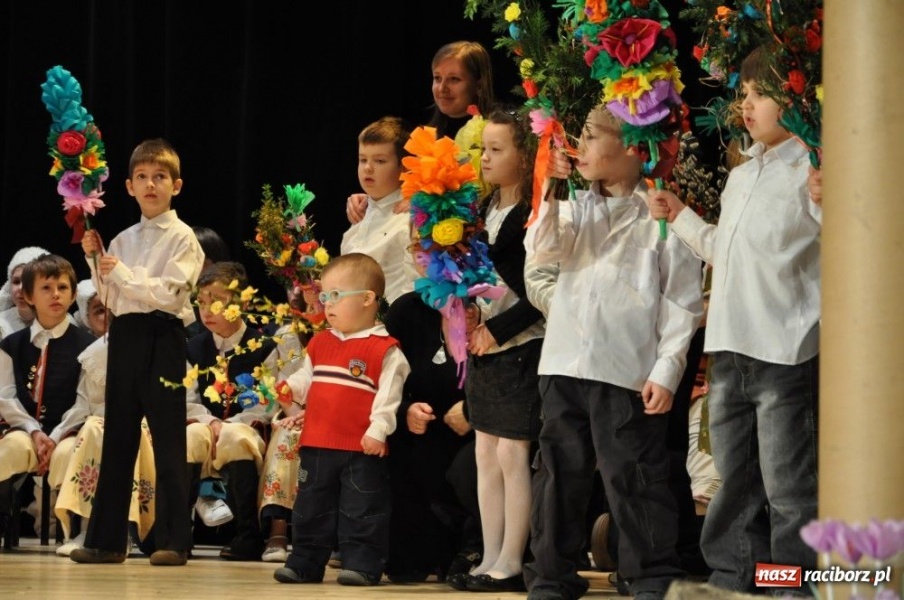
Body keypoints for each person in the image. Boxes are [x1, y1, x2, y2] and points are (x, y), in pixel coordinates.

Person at [647, 46, 821, 594]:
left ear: (795, 98)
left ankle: (790, 586)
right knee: (735, 483)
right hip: (729, 347)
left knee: (789, 488)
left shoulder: (813, 170)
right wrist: (680, 215)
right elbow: (727, 249)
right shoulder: (744, 173)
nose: (746, 105)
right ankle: (734, 578)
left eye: (761, 93)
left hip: (785, 349)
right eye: (743, 94)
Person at [523, 105, 704, 600]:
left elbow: (682, 304)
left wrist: (667, 370)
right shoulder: (574, 204)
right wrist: (552, 188)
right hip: (563, 362)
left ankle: (648, 573)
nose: (577, 145)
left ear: (630, 147)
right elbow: (540, 250)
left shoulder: (662, 214)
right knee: (559, 473)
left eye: (590, 135)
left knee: (634, 475)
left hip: (625, 369)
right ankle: (552, 573)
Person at [70, 138, 205, 566]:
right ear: (128, 186)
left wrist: (121, 273)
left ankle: (172, 541)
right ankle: (107, 540)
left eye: (160, 177)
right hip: (125, 338)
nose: (151, 185)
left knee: (167, 439)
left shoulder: (185, 238)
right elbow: (112, 295)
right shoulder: (123, 238)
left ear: (176, 185)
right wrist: (95, 260)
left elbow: (169, 295)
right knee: (118, 438)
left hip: (163, 338)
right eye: (143, 178)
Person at [450, 106, 545, 593]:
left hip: (523, 345)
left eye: (496, 149)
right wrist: (467, 315)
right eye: (483, 148)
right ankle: (490, 555)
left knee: (512, 452)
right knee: (485, 452)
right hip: (485, 345)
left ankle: (512, 559)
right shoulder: (483, 210)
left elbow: (542, 289)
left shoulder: (536, 211)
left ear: (526, 156)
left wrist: (499, 328)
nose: (485, 158)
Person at [273, 252, 410, 586]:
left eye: (336, 296)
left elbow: (388, 399)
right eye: (324, 296)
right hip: (317, 443)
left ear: (367, 299)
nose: (327, 304)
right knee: (309, 507)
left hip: (359, 448)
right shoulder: (321, 342)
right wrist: (290, 388)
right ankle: (304, 562)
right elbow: (309, 379)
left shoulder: (385, 349)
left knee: (361, 508)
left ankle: (363, 564)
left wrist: (378, 431)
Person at [381, 232, 482, 584]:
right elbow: (384, 381)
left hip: (481, 430)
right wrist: (405, 409)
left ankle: (474, 547)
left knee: (469, 467)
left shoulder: (485, 303)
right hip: (422, 432)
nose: (422, 256)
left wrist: (473, 411)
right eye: (416, 248)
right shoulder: (407, 310)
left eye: (432, 248)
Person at [184, 260, 279, 561]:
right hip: (203, 424)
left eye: (218, 302)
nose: (207, 311)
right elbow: (185, 396)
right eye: (201, 303)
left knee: (236, 437)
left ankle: (248, 533)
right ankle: (178, 532)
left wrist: (227, 426)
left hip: (244, 428)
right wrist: (209, 420)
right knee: (191, 436)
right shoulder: (191, 347)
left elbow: (267, 402)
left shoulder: (265, 346)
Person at [346, 40, 496, 224]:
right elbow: (399, 194)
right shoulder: (423, 137)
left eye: (454, 79)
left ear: (479, 84)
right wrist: (369, 201)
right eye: (437, 78)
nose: (442, 88)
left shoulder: (493, 135)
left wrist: (428, 202)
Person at [0, 254, 95, 540]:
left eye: (63, 288)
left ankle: (74, 534)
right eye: (46, 288)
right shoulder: (11, 345)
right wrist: (33, 430)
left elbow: (84, 401)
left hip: (67, 434)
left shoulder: (88, 345)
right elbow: (5, 395)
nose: (56, 294)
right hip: (26, 432)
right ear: (27, 296)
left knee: (72, 458)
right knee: (8, 450)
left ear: (73, 294)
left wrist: (54, 435)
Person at [340, 116, 418, 306]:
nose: (367, 168)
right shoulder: (361, 211)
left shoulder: (411, 217)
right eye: (362, 159)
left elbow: (414, 288)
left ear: (404, 167)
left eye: (380, 161)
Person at [0, 246, 50, 340]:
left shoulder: (63, 323)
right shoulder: (2, 324)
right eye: (16, 281)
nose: (21, 288)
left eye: (29, 281)